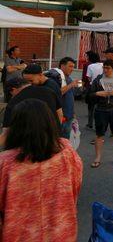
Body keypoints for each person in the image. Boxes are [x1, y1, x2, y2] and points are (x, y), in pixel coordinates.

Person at [0, 99, 83, 242]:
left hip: (18, 234)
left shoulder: (5, 162)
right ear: (49, 123)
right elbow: (75, 187)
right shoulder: (67, 152)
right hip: (61, 230)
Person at [0, 77, 63, 147]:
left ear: (13, 90)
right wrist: (57, 131)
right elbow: (60, 113)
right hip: (54, 141)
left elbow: (6, 134)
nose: (12, 96)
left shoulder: (14, 102)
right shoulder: (49, 91)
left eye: (11, 94)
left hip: (30, 148)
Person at [90, 59, 113, 168]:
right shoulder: (98, 79)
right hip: (101, 109)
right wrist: (97, 93)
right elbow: (89, 95)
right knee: (99, 134)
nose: (105, 70)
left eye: (108, 68)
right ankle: (97, 157)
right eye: (104, 67)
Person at [48, 57, 79, 139]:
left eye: (73, 67)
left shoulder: (68, 78)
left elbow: (70, 97)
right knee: (59, 140)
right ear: (62, 66)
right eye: (70, 66)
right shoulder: (56, 78)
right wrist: (71, 85)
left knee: (66, 140)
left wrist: (73, 113)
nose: (72, 69)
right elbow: (57, 93)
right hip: (61, 116)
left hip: (69, 115)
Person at [84, 51, 103, 129]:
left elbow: (89, 78)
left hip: (93, 87)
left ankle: (90, 123)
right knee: (101, 106)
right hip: (102, 87)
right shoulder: (103, 65)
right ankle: (100, 123)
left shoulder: (90, 66)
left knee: (91, 106)